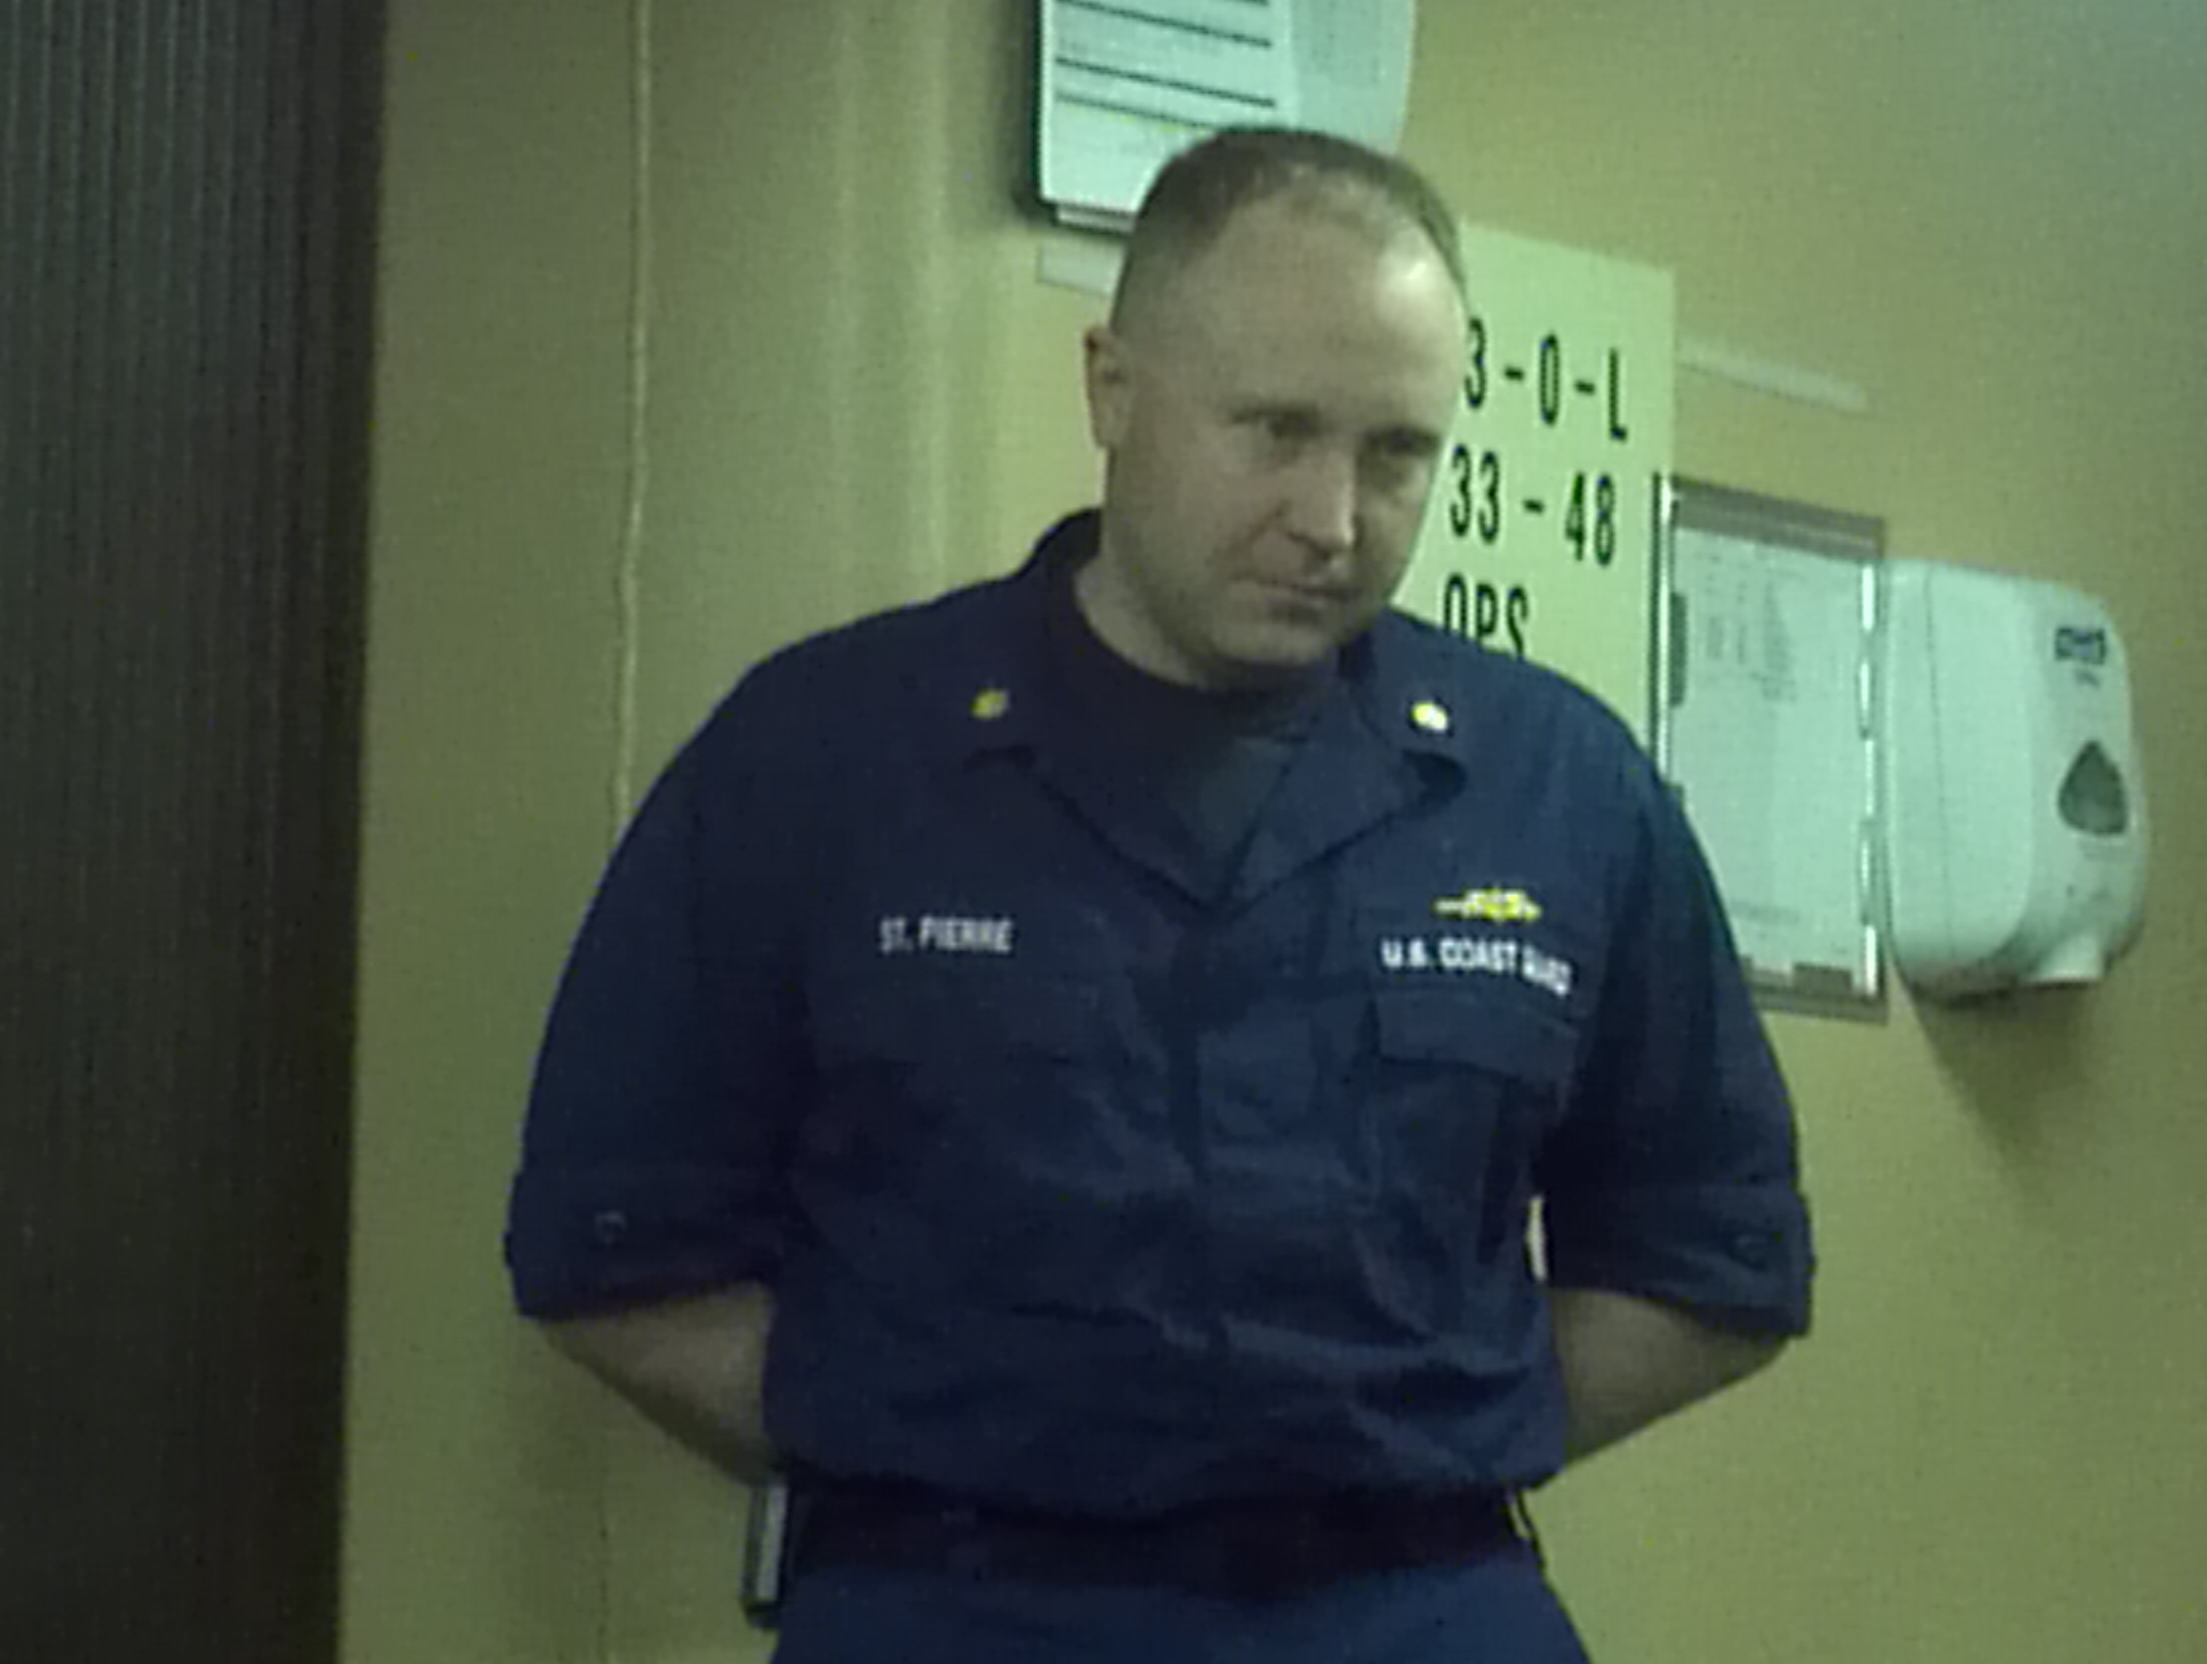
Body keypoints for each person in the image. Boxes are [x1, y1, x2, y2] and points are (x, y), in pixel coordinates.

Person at [505, 128, 1813, 1663]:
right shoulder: (830, 757)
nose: (1333, 518)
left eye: (1397, 453)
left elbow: (1710, 1257)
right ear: (1112, 390)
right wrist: (934, 1452)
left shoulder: (1551, 788)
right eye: (1275, 431)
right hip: (957, 1599)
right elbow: (617, 1249)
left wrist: (1417, 1441)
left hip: (1414, 1601)